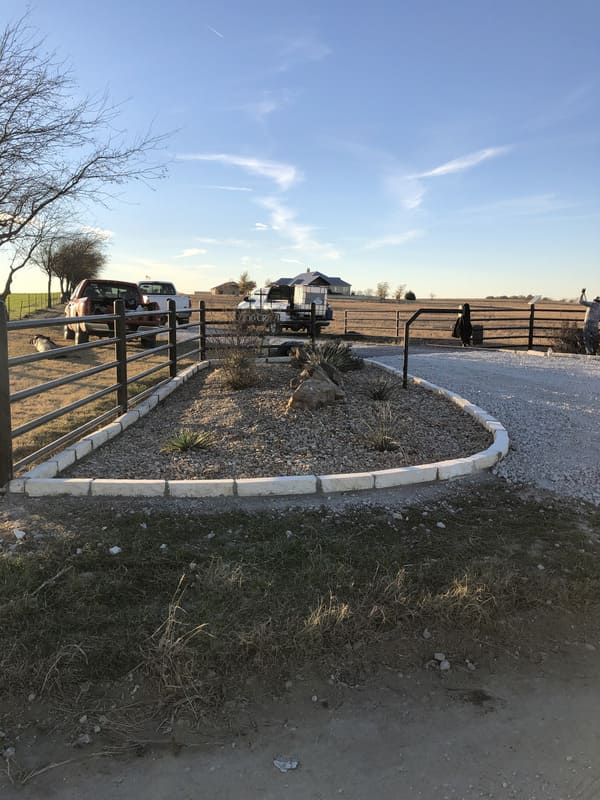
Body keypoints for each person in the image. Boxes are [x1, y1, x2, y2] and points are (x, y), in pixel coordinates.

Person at [578, 289, 600, 355]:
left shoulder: (591, 304)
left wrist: (582, 293)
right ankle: (595, 351)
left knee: (586, 339)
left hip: (587, 324)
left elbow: (580, 301)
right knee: (595, 339)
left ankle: (589, 352)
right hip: (595, 325)